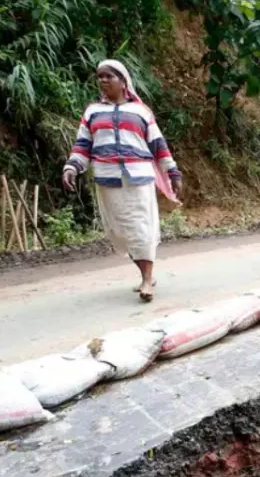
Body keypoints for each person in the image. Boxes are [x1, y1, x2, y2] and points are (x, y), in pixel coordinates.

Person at [63, 60, 181, 302]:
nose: (103, 80)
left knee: (141, 228)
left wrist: (173, 172)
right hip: (107, 180)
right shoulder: (92, 112)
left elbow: (158, 145)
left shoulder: (141, 112)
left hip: (138, 179)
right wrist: (72, 167)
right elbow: (83, 145)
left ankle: (147, 280)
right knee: (122, 232)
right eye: (100, 77)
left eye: (109, 76)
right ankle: (146, 273)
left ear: (123, 81)